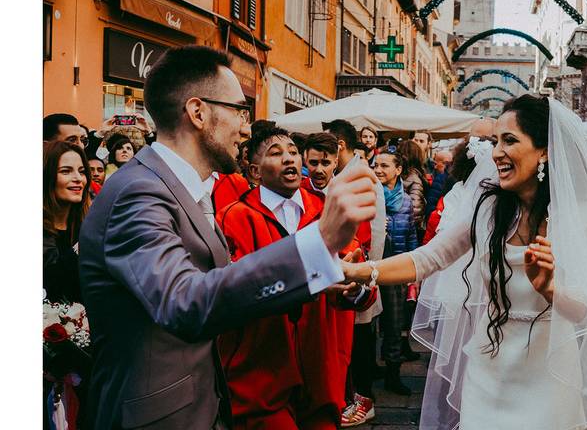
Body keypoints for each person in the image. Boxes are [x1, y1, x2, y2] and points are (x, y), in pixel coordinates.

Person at [78, 45, 378, 430]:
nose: (246, 126)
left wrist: (321, 280)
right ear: (198, 112)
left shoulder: (183, 190)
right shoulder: (138, 192)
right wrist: (317, 242)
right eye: (240, 110)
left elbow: (216, 282)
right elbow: (183, 301)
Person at [342, 94, 587, 430]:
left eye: (509, 140)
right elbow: (430, 257)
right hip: (488, 369)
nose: (496, 153)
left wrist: (550, 288)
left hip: (551, 377)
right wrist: (361, 271)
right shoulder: (489, 210)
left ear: (545, 150)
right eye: (495, 141)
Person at [216, 126, 377, 429]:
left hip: (322, 369)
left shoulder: (327, 211)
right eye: (276, 154)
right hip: (261, 373)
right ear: (255, 170)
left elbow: (363, 279)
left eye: (292, 152)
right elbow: (231, 292)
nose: (289, 159)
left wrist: (355, 288)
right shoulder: (233, 217)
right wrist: (311, 282)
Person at [322, 120, 388, 428]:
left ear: (339, 145)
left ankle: (364, 399)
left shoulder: (361, 175)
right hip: (352, 270)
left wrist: (361, 269)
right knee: (353, 339)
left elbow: (371, 228)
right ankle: (354, 396)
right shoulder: (346, 173)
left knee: (361, 340)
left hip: (359, 271)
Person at [43, 140, 92, 429]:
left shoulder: (88, 225)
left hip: (85, 361)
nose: (78, 179)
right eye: (66, 171)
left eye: (81, 171)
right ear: (49, 176)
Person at [371, 146, 420, 396]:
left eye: (384, 166)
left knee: (394, 322)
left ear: (398, 170)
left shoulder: (406, 201)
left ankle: (393, 373)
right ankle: (368, 368)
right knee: (368, 323)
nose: (378, 170)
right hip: (370, 265)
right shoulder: (368, 195)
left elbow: (411, 233)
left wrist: (414, 268)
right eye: (375, 165)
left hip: (397, 266)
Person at [397, 139, 428, 241]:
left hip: (400, 227)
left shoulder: (401, 175)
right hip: (407, 230)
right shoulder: (415, 178)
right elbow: (416, 211)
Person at [423, 150, 452, 226]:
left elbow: (431, 205)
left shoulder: (441, 179)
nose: (435, 167)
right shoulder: (440, 179)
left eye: (436, 164)